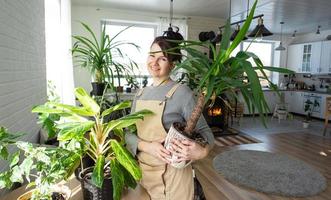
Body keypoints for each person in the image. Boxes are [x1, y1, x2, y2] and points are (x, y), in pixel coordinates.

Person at [125, 32, 214, 200]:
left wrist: (202, 152)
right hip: (143, 172)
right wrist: (147, 146)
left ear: (172, 65)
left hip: (173, 176)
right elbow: (128, 134)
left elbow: (206, 132)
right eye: (152, 56)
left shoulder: (181, 93)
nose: (155, 62)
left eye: (163, 58)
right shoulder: (139, 94)